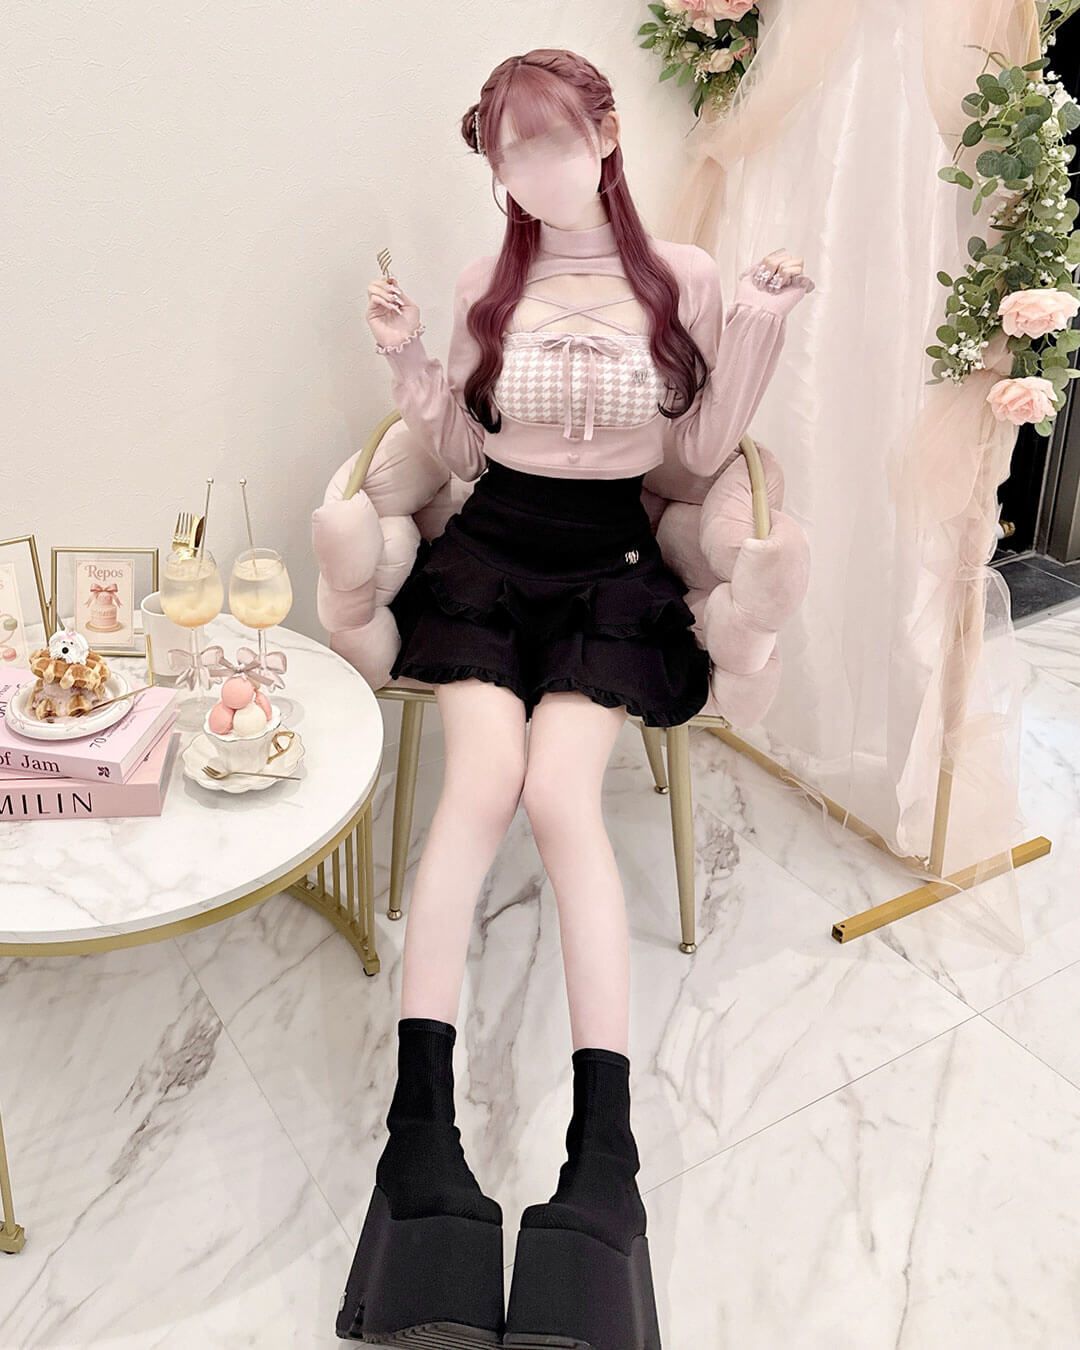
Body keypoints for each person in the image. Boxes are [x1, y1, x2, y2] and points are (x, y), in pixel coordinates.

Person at [337, 47, 814, 1349]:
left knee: (561, 798)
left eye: (544, 137)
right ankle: (421, 1144)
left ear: (605, 135)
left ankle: (605, 1160)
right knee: (480, 788)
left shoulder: (682, 279)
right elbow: (459, 448)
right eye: (503, 148)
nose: (524, 168)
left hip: (609, 566)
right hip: (493, 553)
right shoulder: (486, 285)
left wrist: (757, 326)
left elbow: (698, 451)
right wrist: (407, 360)